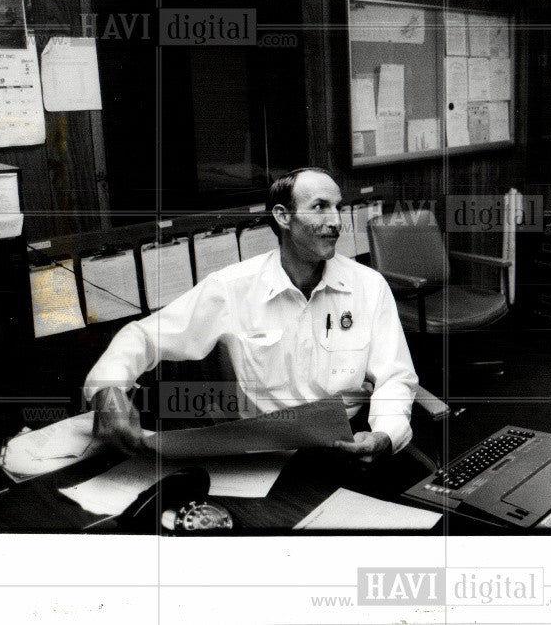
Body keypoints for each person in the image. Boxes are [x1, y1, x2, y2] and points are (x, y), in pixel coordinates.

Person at [85, 167, 419, 463]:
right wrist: (109, 390)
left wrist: (386, 433)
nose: (335, 222)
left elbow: (395, 375)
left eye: (338, 208)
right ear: (283, 216)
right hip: (267, 453)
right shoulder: (233, 288)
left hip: (350, 444)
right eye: (320, 207)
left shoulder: (368, 286)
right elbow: (142, 337)